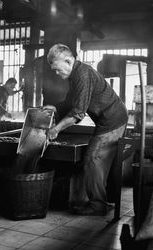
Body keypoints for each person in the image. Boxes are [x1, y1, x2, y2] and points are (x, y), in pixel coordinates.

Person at [44, 44, 128, 216]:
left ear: (68, 61)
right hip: (112, 117)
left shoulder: (82, 74)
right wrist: (55, 108)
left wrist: (55, 130)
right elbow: (70, 103)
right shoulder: (75, 75)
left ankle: (98, 205)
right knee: (104, 160)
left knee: (93, 158)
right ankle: (107, 200)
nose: (56, 74)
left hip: (112, 119)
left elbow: (77, 113)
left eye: (57, 70)